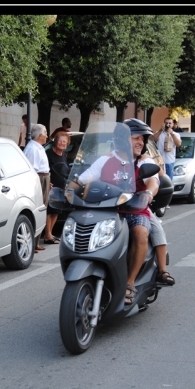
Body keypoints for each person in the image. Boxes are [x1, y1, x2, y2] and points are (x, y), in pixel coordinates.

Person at [74, 120, 162, 303]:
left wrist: (148, 193)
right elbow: (83, 180)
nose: (141, 142)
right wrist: (67, 191)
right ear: (122, 140)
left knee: (141, 232)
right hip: (107, 212)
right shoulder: (106, 160)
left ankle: (129, 283)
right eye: (135, 138)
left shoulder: (142, 162)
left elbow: (153, 182)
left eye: (142, 139)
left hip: (135, 211)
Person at [24, 124, 52, 252]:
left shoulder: (38, 147)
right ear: (40, 135)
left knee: (43, 208)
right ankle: (33, 243)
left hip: (44, 178)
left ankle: (36, 242)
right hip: (39, 179)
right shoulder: (32, 149)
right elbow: (33, 170)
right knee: (38, 208)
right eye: (45, 132)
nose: (47, 135)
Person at [43, 132, 69, 244]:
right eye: (60, 141)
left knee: (57, 211)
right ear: (55, 141)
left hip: (61, 186)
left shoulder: (64, 155)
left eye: (64, 141)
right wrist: (48, 183)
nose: (62, 143)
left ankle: (51, 233)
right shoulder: (48, 153)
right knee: (50, 210)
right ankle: (47, 235)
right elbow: (44, 169)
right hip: (51, 186)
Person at [153, 116, 181, 180]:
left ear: (173, 124)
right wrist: (160, 130)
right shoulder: (159, 133)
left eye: (170, 123)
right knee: (159, 180)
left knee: (169, 180)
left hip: (169, 161)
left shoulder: (176, 134)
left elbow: (178, 144)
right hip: (159, 161)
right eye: (166, 123)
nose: (168, 125)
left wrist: (171, 134)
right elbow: (153, 139)